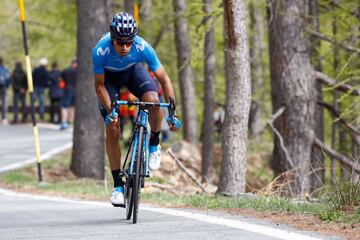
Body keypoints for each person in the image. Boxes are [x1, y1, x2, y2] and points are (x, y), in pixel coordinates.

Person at [92, 12, 181, 206]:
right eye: (120, 43)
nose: (124, 47)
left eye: (128, 43)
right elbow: (99, 86)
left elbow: (164, 79)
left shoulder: (142, 47)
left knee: (153, 100)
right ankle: (118, 186)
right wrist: (111, 111)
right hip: (109, 80)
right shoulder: (100, 50)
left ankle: (154, 143)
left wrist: (172, 113)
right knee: (113, 128)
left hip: (133, 72)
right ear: (112, 39)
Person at [60, 59, 77, 130]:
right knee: (73, 106)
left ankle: (64, 121)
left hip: (67, 90)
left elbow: (60, 80)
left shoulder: (65, 70)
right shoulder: (80, 71)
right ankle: (71, 121)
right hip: (76, 91)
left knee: (64, 106)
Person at [0, 57, 10, 125]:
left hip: (3, 87)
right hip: (3, 87)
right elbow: (8, 78)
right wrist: (7, 86)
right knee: (4, 103)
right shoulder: (5, 69)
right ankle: (4, 118)